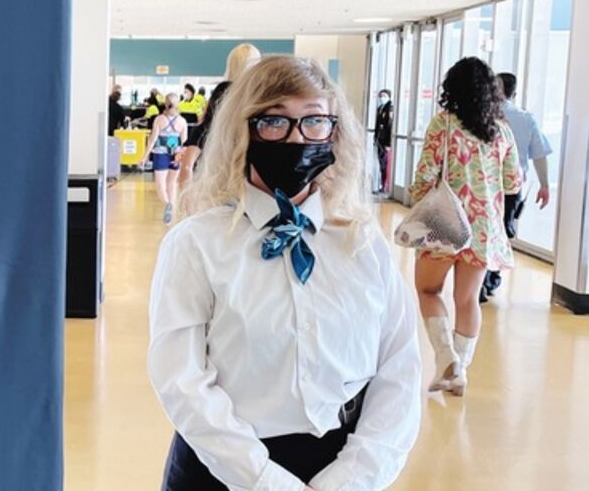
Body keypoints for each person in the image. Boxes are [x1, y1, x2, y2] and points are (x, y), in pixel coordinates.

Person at [150, 56, 421, 491]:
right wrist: (266, 482)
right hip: (225, 467)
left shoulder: (364, 244)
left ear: (335, 132)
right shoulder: (196, 244)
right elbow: (182, 382)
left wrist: (352, 478)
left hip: (342, 465)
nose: (297, 138)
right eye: (274, 122)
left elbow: (399, 367)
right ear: (244, 129)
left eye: (314, 121)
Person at [409, 57, 521, 397]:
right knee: (468, 299)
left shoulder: (442, 125)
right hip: (484, 227)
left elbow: (425, 176)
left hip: (446, 221)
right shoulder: (501, 130)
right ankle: (461, 371)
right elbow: (514, 182)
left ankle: (447, 360)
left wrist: (420, 206)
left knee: (429, 291)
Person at [482, 72, 552, 301]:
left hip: (484, 184)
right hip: (512, 186)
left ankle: (480, 277)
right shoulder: (526, 118)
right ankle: (491, 276)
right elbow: (539, 155)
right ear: (515, 92)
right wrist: (544, 185)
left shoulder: (483, 115)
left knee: (484, 229)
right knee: (503, 230)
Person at [177, 80, 231, 190]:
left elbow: (187, 167)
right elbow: (187, 167)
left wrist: (186, 198)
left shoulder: (202, 130)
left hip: (208, 191)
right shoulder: (243, 132)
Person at [146, 93, 189, 224]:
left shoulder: (159, 119)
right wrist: (180, 156)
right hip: (175, 155)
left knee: (160, 185)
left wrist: (145, 156)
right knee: (172, 185)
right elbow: (184, 143)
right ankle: (172, 212)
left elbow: (152, 139)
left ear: (165, 103)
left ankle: (167, 205)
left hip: (160, 154)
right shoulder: (182, 121)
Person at [373, 90, 393, 195]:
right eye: (381, 96)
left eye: (384, 96)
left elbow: (389, 126)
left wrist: (388, 143)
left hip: (385, 141)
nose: (382, 97)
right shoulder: (380, 108)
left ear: (389, 97)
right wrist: (375, 138)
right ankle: (381, 185)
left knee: (385, 164)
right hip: (379, 140)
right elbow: (378, 126)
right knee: (381, 163)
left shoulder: (390, 108)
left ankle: (385, 186)